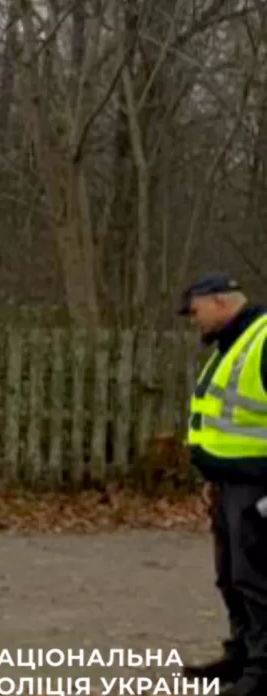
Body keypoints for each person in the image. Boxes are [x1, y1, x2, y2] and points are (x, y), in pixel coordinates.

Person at [180, 273, 267, 696]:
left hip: (257, 484)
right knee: (231, 575)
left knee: (256, 577)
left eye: (195, 311)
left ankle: (262, 669)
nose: (194, 321)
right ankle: (241, 654)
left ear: (218, 301)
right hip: (228, 482)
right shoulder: (232, 346)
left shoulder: (263, 340)